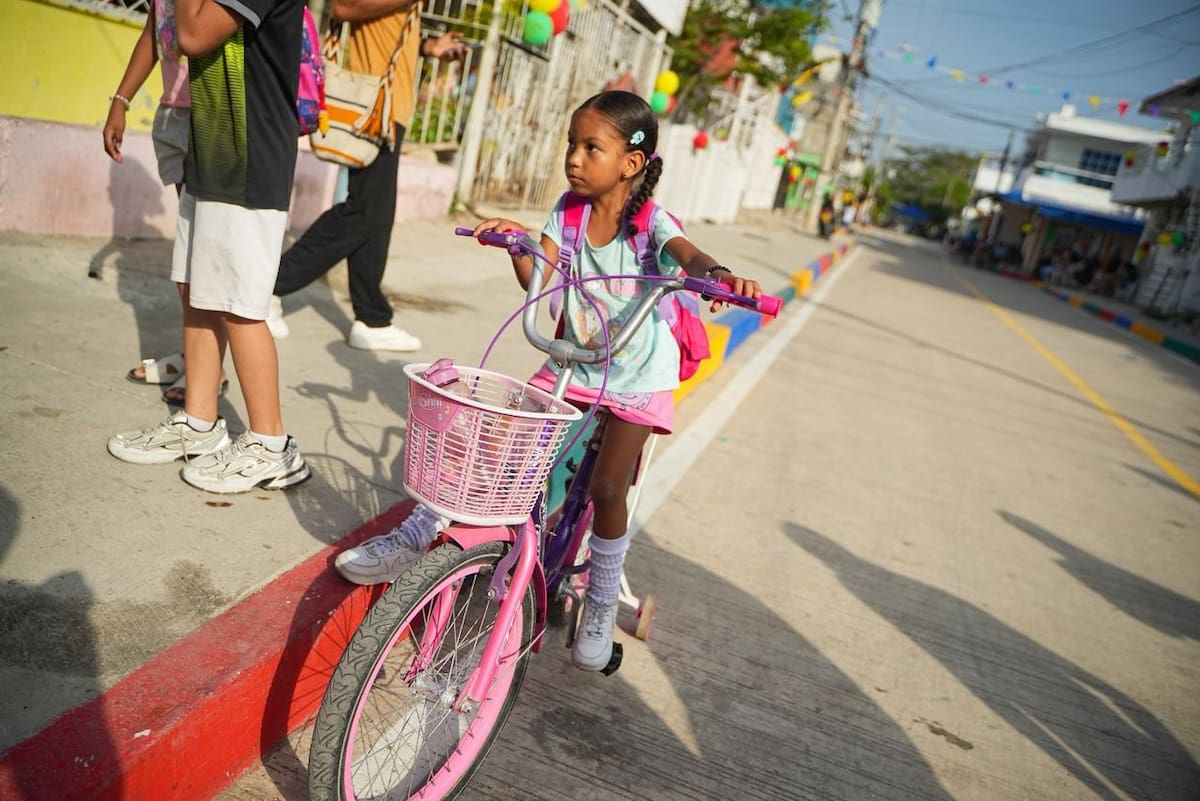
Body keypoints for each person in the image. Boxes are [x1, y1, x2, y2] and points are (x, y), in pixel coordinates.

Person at [333, 90, 763, 672]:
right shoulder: (568, 210)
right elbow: (542, 279)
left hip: (635, 377)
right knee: (500, 453)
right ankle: (415, 537)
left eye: (592, 148)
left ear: (630, 163)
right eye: (572, 145)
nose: (575, 158)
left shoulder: (652, 224)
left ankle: (601, 600)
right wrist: (518, 242)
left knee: (611, 490)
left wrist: (719, 276)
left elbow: (688, 256)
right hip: (574, 361)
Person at [107, 0, 311, 494]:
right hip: (214, 144)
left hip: (250, 156)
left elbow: (195, 34)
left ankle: (271, 445)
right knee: (200, 287)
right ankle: (198, 422)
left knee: (241, 304)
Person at [266, 1, 468, 350]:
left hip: (389, 104)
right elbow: (344, 8)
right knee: (364, 211)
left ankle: (371, 318)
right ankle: (267, 288)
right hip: (372, 104)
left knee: (376, 214)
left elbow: (382, 28)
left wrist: (427, 46)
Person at [106, 0, 229, 406]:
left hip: (213, 114)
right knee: (191, 251)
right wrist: (120, 101)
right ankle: (196, 354)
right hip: (175, 116)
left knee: (203, 255)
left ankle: (208, 369)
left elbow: (199, 35)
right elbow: (152, 32)